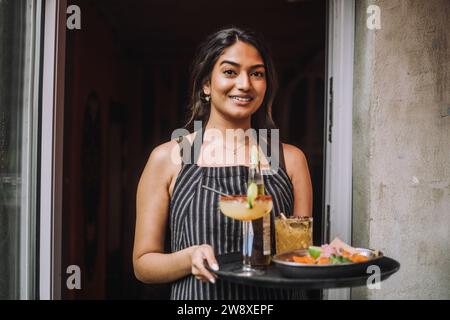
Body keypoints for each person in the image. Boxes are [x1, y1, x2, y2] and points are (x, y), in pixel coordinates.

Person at [133, 27, 313, 300]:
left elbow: (300, 256)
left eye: (257, 73)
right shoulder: (170, 157)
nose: (245, 84)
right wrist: (189, 257)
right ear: (206, 84)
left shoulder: (290, 159)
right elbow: (143, 264)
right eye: (230, 72)